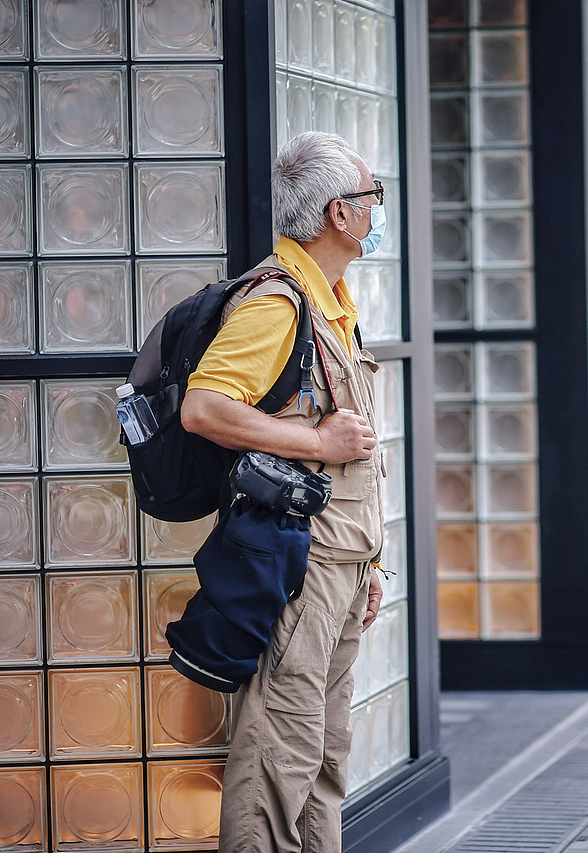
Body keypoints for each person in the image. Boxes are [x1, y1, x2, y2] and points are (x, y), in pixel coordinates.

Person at [180, 131, 387, 853]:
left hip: (343, 563)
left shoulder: (332, 303)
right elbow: (203, 407)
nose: (377, 209)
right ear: (339, 212)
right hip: (303, 570)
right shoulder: (278, 304)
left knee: (323, 760)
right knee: (278, 758)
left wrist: (371, 562)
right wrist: (319, 445)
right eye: (372, 196)